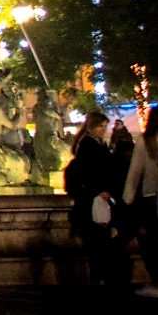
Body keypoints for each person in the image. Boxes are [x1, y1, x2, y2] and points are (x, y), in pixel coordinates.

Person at [65, 112, 129, 286]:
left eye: (104, 126)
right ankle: (99, 278)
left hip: (99, 198)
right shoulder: (87, 145)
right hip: (93, 199)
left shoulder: (96, 143)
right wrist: (99, 190)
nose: (103, 129)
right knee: (97, 242)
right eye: (100, 126)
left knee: (100, 242)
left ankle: (101, 277)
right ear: (92, 127)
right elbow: (89, 172)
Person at [123, 105, 158, 297]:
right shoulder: (145, 144)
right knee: (152, 242)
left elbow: (134, 174)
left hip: (150, 198)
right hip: (151, 200)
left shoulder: (145, 143)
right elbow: (135, 173)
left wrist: (127, 199)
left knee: (152, 243)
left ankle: (157, 281)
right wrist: (128, 198)